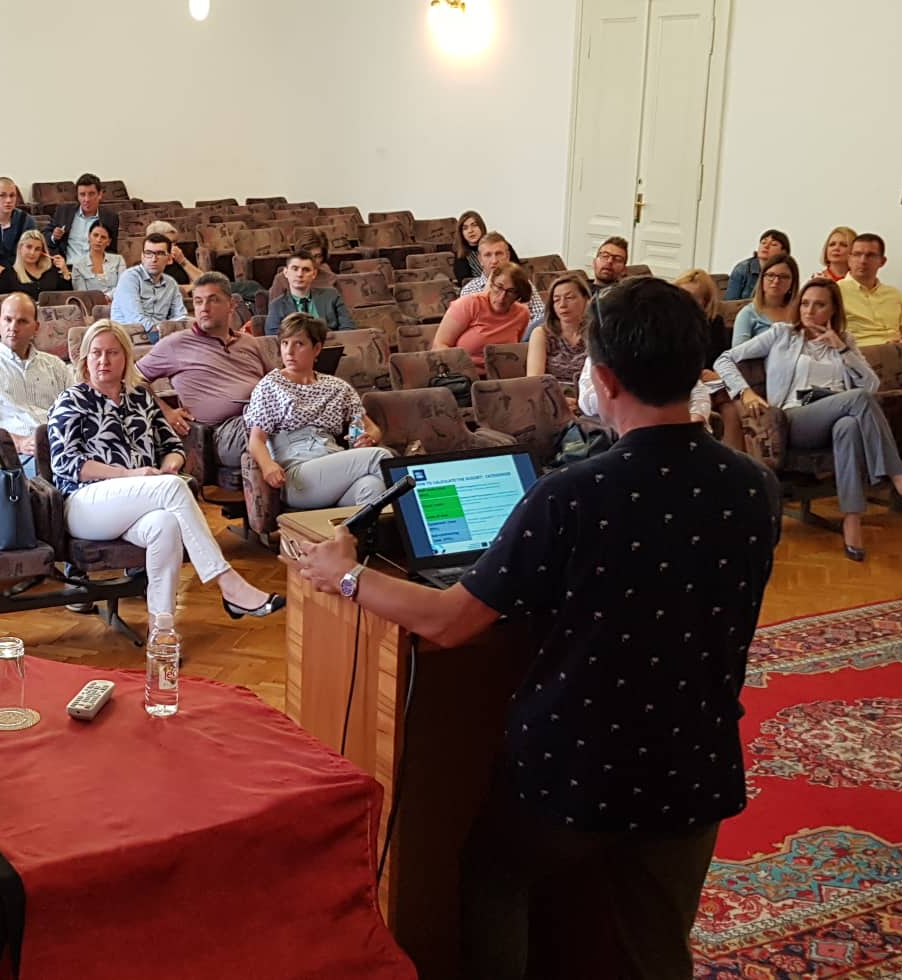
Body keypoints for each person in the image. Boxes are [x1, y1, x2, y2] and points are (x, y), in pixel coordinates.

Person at [288, 277, 782, 980]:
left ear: (603, 380)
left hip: (580, 765)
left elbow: (451, 623)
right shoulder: (754, 486)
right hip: (692, 760)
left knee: (495, 877)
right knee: (656, 937)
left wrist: (346, 575)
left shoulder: (573, 494)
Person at [48, 319, 284, 621]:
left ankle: (162, 628)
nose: (103, 360)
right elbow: (66, 463)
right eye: (96, 353)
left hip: (139, 500)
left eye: (112, 353)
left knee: (166, 525)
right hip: (86, 505)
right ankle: (228, 583)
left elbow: (173, 446)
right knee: (173, 488)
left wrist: (168, 466)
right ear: (85, 359)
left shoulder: (140, 397)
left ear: (126, 358)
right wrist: (132, 476)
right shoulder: (71, 400)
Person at [716, 277, 902, 561]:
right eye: (805, 304)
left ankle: (852, 521)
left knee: (848, 426)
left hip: (838, 414)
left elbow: (872, 386)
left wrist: (842, 350)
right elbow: (724, 359)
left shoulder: (845, 341)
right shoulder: (782, 333)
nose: (810, 311)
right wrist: (745, 392)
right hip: (795, 417)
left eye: (819, 305)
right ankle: (900, 478)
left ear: (833, 310)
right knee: (858, 399)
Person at [243, 313, 388, 509]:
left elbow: (372, 429)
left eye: (299, 344)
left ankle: (358, 531)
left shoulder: (336, 386)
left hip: (333, 461)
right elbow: (256, 440)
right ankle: (423, 517)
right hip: (298, 474)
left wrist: (369, 438)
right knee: (380, 457)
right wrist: (268, 466)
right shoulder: (270, 385)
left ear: (317, 348)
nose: (289, 351)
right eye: (285, 343)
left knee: (372, 487)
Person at [138, 272, 274, 473]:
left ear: (231, 305)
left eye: (213, 300)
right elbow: (132, 378)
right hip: (222, 433)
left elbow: (276, 382)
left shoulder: (249, 342)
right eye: (198, 301)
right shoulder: (175, 344)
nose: (204, 308)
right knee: (281, 435)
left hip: (261, 416)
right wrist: (165, 411)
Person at [0, 294, 75, 477]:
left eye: (22, 321)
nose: (13, 327)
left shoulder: (56, 365)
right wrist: (18, 443)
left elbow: (75, 413)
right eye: (8, 320)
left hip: (61, 449)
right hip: (12, 458)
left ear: (36, 327)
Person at [434, 262, 532, 369]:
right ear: (491, 284)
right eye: (499, 287)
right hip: (464, 371)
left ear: (518, 295)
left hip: (502, 373)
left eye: (510, 292)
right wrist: (463, 370)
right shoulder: (468, 304)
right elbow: (439, 345)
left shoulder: (522, 313)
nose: (502, 297)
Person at [837, 233, 902, 346]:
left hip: (899, 349)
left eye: (870, 255)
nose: (863, 260)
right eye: (857, 254)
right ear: (849, 259)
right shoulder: (836, 291)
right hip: (863, 350)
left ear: (882, 261)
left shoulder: (894, 294)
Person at [458, 232, 546, 335]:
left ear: (507, 256)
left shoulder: (523, 282)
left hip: (521, 337)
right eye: (488, 255)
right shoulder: (469, 290)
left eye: (499, 254)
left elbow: (540, 316)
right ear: (480, 260)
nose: (494, 261)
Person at [110, 232, 188, 340]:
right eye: (148, 253)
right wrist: (163, 332)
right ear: (142, 256)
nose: (153, 259)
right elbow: (135, 318)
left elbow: (180, 316)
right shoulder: (130, 277)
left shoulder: (171, 283)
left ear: (169, 258)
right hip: (130, 337)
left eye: (160, 253)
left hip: (161, 337)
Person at [525, 272, 591, 396]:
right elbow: (534, 381)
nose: (562, 305)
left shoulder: (597, 333)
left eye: (569, 298)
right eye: (556, 300)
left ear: (586, 300)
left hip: (589, 399)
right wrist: (560, 400)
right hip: (550, 398)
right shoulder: (542, 333)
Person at [265, 251, 355, 332]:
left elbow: (348, 328)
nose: (300, 274)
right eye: (295, 269)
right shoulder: (276, 306)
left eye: (306, 270)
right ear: (286, 272)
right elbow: (273, 337)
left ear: (314, 274)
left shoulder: (332, 296)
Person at [47, 173, 119, 268]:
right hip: (66, 267)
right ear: (77, 196)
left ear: (100, 194)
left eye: (91, 194)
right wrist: (54, 236)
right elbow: (45, 236)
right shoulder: (63, 212)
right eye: (82, 194)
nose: (86, 199)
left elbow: (112, 250)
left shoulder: (110, 218)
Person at [732, 253, 800, 345]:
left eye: (784, 277)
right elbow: (737, 352)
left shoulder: (801, 313)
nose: (776, 281)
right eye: (771, 275)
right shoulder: (748, 314)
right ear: (762, 278)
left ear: (793, 282)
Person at [674, 268, 731, 368]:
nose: (685, 300)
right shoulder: (666, 321)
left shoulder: (715, 323)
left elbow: (720, 359)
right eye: (682, 294)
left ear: (706, 301)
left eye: (693, 297)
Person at [0, 229, 72, 300]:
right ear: (20, 248)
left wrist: (65, 272)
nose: (32, 253)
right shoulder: (8, 275)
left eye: (37, 249)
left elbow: (66, 299)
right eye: (29, 247)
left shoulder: (51, 272)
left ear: (42, 252)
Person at [724, 228, 789, 301]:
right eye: (763, 242)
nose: (766, 246)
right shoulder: (742, 268)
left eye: (773, 244)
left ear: (783, 252)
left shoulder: (787, 271)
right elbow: (730, 302)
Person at [267, 229, 337, 296]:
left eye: (317, 256)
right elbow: (274, 304)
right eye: (307, 255)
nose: (311, 261)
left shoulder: (330, 279)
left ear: (323, 257)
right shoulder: (281, 280)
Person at [68, 221, 125, 293]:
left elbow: (123, 285)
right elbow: (82, 294)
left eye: (103, 237)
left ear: (108, 242)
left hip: (116, 299)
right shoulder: (78, 266)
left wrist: (109, 296)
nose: (98, 240)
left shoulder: (118, 260)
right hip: (90, 300)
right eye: (95, 235)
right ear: (89, 236)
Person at [452, 210, 488, 282]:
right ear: (461, 233)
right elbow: (465, 282)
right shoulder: (460, 256)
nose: (470, 231)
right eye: (465, 228)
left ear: (481, 227)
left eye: (474, 225)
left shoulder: (498, 246)